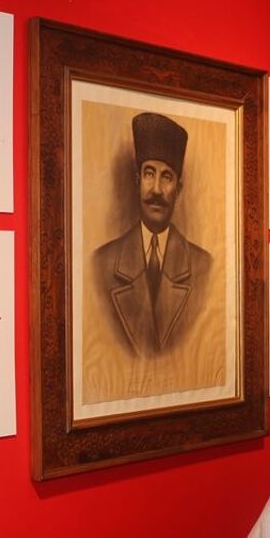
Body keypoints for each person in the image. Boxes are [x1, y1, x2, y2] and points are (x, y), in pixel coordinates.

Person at [92, 112, 212, 356]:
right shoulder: (100, 264)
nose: (156, 189)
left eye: (166, 177)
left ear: (178, 189)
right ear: (138, 181)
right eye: (149, 173)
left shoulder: (205, 267)